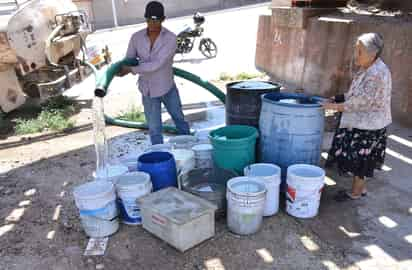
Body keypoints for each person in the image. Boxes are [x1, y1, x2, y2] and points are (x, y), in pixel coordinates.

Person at [323, 33, 392, 201]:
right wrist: (339, 98)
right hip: (364, 122)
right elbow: (356, 93)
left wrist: (333, 107)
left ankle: (355, 193)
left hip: (369, 126)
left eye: (359, 51)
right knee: (362, 158)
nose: (356, 54)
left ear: (372, 53)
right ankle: (360, 189)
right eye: (356, 50)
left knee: (361, 160)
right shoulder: (368, 67)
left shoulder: (376, 74)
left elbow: (361, 103)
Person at [118, 1, 190, 145]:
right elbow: (129, 59)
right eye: (149, 19)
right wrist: (121, 68)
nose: (152, 23)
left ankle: (190, 145)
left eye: (156, 19)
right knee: (154, 127)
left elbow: (156, 65)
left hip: (166, 87)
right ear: (146, 19)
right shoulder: (136, 37)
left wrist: (131, 69)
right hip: (147, 89)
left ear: (163, 19)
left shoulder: (170, 38)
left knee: (179, 119)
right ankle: (159, 156)